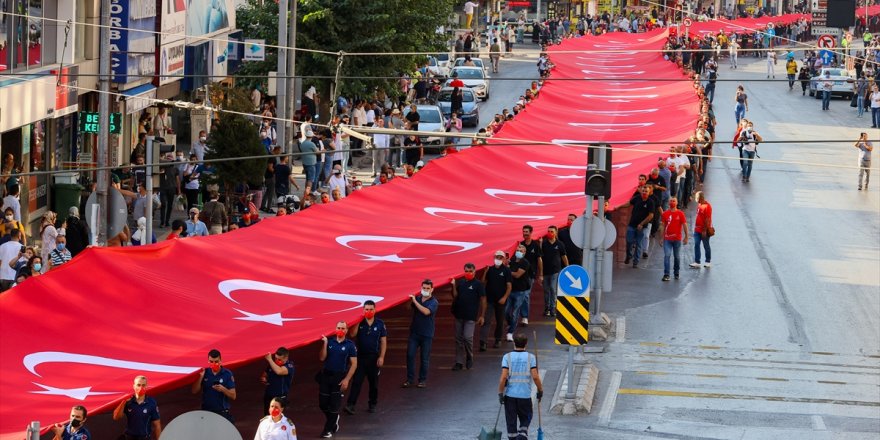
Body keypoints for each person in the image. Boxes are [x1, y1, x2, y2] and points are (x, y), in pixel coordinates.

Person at [497, 332, 544, 440]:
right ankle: (522, 433)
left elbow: (503, 377)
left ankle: (515, 437)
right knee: (526, 419)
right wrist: (540, 390)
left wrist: (500, 393)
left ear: (514, 342)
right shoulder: (530, 358)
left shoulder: (507, 357)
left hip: (510, 396)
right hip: (525, 397)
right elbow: (535, 377)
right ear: (526, 344)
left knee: (511, 423)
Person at [344, 300, 387, 414]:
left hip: (373, 357)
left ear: (375, 310)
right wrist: (358, 321)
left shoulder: (380, 323)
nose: (369, 311)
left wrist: (381, 357)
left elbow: (383, 341)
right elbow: (352, 334)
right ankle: (350, 405)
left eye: (371, 309)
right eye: (366, 309)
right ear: (363, 310)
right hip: (360, 357)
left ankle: (372, 404)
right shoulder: (360, 322)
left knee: (374, 383)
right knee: (357, 381)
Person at [317, 322, 357, 438]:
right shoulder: (329, 342)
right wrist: (324, 344)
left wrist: (347, 380)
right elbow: (322, 358)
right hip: (326, 376)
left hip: (339, 377)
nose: (340, 330)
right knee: (323, 403)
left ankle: (327, 430)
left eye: (343, 328)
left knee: (334, 405)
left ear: (346, 330)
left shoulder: (350, 345)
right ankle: (334, 419)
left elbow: (354, 364)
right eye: (338, 328)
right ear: (335, 329)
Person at [450, 263, 486, 371]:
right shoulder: (461, 282)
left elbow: (483, 299)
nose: (468, 273)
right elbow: (455, 295)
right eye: (466, 271)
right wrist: (453, 285)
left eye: (470, 271)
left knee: (467, 337)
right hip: (459, 315)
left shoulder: (478, 284)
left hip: (471, 316)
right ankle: (459, 361)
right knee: (458, 339)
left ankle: (469, 356)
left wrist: (482, 315)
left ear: (474, 272)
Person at [403, 279, 438, 388]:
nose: (425, 290)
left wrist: (415, 301)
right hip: (415, 332)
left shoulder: (434, 302)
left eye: (428, 288)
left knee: (424, 358)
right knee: (410, 355)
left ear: (432, 289)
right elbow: (407, 308)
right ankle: (410, 379)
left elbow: (426, 312)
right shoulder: (417, 298)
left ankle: (422, 380)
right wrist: (410, 300)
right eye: (424, 288)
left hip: (427, 334)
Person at [191, 349, 236, 422]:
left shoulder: (227, 374)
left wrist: (223, 389)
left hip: (222, 412)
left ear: (220, 361)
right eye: (211, 361)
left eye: (216, 361)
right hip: (206, 412)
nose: (214, 364)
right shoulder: (205, 372)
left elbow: (233, 396)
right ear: (208, 361)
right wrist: (200, 377)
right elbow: (194, 391)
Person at [113, 375, 163, 440]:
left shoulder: (151, 402)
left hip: (144, 438)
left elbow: (157, 425)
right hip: (129, 437)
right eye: (138, 385)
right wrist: (123, 402)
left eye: (143, 385)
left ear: (146, 386)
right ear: (134, 386)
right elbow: (116, 417)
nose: (141, 387)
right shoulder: (128, 401)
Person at [480, 250, 512, 350]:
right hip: (489, 300)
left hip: (500, 301)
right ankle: (483, 342)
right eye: (496, 257)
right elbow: (482, 282)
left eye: (500, 257)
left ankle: (498, 339)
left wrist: (504, 298)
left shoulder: (506, 271)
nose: (498, 259)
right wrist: (485, 272)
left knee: (500, 321)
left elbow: (509, 286)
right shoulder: (490, 269)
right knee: (486, 321)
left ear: (503, 259)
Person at [540, 226, 568, 317]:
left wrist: (567, 267)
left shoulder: (560, 244)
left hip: (555, 271)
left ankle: (553, 308)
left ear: (556, 233)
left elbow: (564, 256)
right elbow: (540, 256)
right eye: (548, 231)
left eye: (552, 231)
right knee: (546, 290)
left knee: (552, 288)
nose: (550, 232)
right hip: (545, 271)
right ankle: (546, 308)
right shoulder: (544, 243)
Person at [505, 244, 531, 341]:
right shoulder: (511, 261)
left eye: (521, 250)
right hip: (510, 290)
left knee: (515, 312)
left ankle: (510, 332)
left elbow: (517, 275)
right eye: (517, 250)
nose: (518, 252)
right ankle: (510, 323)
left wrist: (508, 270)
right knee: (506, 311)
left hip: (520, 291)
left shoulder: (525, 263)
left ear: (524, 253)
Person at [518, 225, 542, 325]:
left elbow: (539, 260)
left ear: (531, 232)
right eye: (523, 231)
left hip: (530, 274)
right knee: (520, 295)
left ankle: (524, 317)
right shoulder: (520, 245)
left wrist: (540, 274)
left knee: (526, 295)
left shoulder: (535, 245)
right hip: (520, 274)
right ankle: (520, 315)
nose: (525, 233)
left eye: (527, 231)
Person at [661, 197, 688, 281]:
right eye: (671, 201)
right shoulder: (665, 214)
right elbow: (662, 226)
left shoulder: (680, 214)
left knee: (677, 257)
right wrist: (662, 238)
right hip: (667, 239)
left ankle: (676, 273)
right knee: (667, 255)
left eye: (674, 201)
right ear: (669, 203)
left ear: (676, 203)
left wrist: (686, 236)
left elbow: (684, 225)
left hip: (677, 239)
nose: (672, 202)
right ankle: (666, 274)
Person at [261, 347, 295, 414]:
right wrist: (264, 378)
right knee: (267, 417)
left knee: (276, 416)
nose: (276, 361)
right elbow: (265, 374)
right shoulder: (272, 364)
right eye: (275, 358)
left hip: (280, 397)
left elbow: (279, 371)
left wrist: (270, 360)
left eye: (279, 359)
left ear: (286, 358)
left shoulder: (289, 366)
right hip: (269, 395)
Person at [690, 191, 713, 269]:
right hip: (697, 229)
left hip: (704, 230)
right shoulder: (699, 205)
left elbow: (707, 219)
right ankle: (697, 261)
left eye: (696, 198)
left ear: (700, 198)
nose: (696, 200)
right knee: (696, 244)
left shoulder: (707, 206)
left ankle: (708, 261)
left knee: (706, 245)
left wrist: (704, 230)